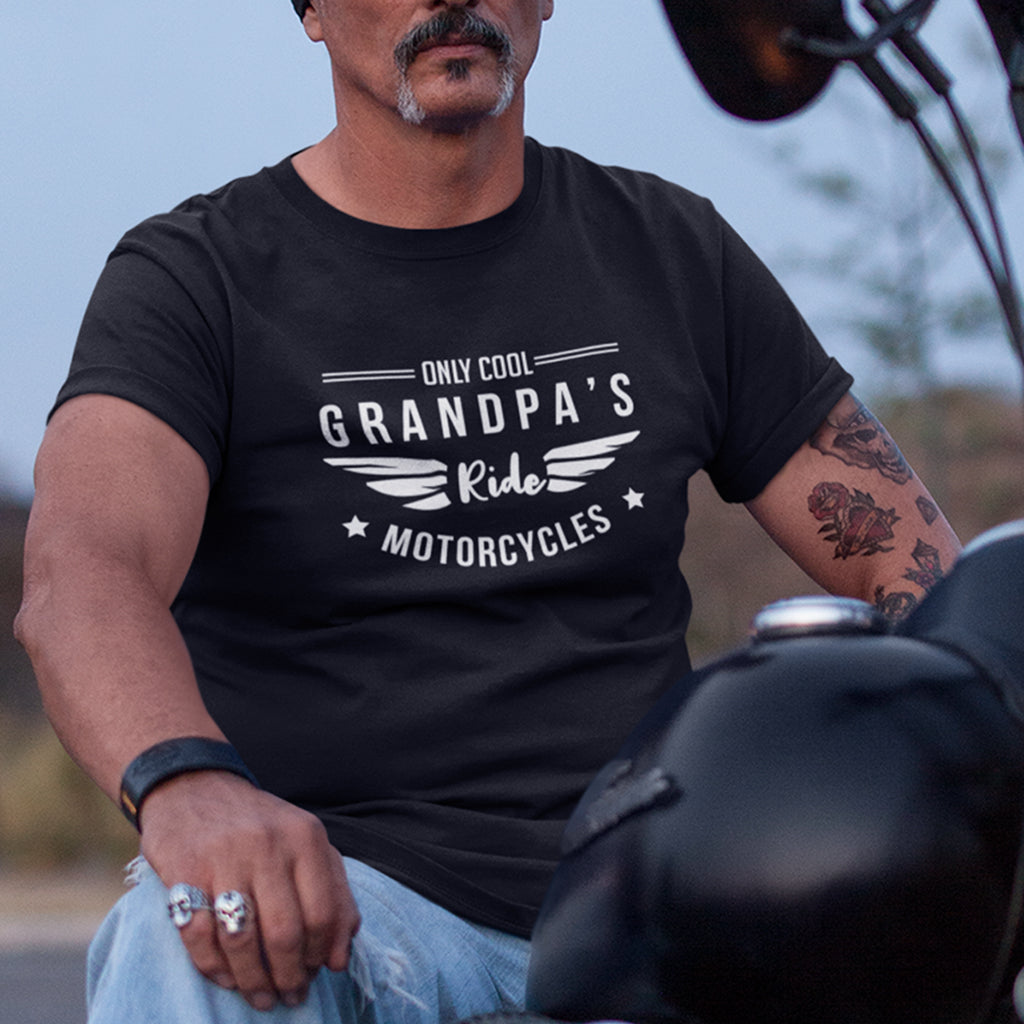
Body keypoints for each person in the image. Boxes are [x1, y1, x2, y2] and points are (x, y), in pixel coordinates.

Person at [14, 1, 961, 1022]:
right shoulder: (196, 280)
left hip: (659, 899)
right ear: (313, 12)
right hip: (350, 907)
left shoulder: (669, 251)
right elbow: (86, 572)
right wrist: (187, 786)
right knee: (194, 929)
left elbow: (917, 568)